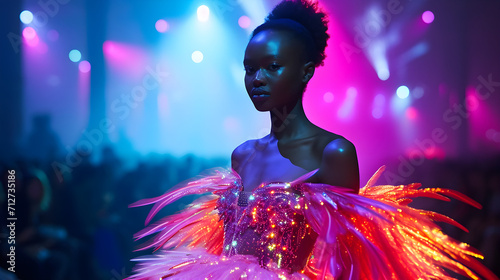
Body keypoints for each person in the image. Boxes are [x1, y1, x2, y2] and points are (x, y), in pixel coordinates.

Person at [127, 1, 498, 279]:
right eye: (250, 68)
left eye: (273, 67)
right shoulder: (242, 156)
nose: (257, 79)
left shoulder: (333, 153)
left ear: (306, 72)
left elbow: (347, 258)